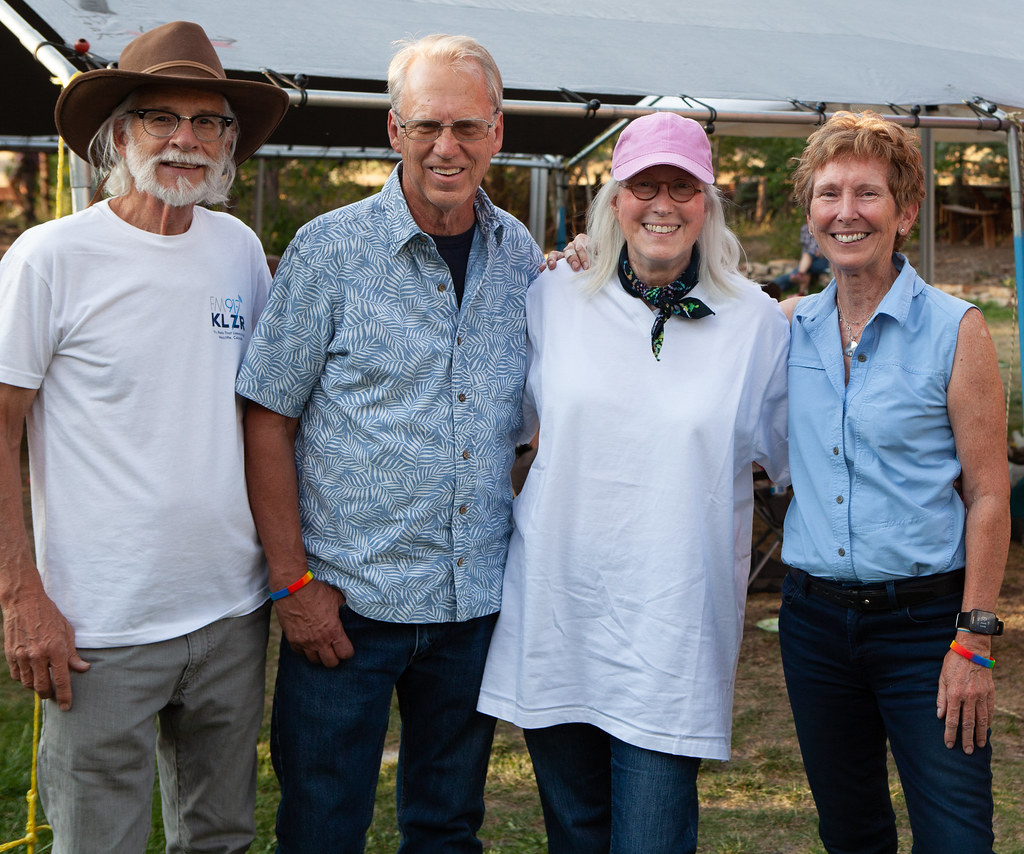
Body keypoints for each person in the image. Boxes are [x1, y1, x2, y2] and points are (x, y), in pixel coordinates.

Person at [235, 34, 544, 852]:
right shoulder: (329, 250)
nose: (448, 147)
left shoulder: (521, 258)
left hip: (469, 605)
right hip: (345, 607)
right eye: (428, 126)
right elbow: (267, 416)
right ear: (393, 130)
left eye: (468, 127)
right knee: (322, 828)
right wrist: (292, 583)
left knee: (447, 828)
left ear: (498, 132)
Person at [0, 21, 288, 853]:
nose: (186, 141)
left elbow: (264, 415)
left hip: (231, 616)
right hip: (97, 626)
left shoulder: (238, 251)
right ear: (118, 133)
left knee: (221, 836)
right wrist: (22, 597)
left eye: (210, 124)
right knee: (101, 842)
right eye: (162, 118)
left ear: (230, 144)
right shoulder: (51, 257)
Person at [477, 112, 790, 853]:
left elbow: (795, 463)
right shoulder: (554, 297)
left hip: (671, 632)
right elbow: (499, 428)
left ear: (707, 203)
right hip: (559, 616)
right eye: (643, 185)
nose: (662, 203)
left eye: (682, 188)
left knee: (651, 838)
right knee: (576, 836)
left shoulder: (754, 322)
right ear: (614, 199)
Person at [778, 111, 1008, 853]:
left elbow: (990, 493)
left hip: (926, 630)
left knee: (956, 836)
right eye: (830, 194)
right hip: (813, 627)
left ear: (904, 211)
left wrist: (972, 641)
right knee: (851, 835)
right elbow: (667, 298)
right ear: (811, 214)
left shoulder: (955, 329)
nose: (847, 212)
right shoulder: (783, 328)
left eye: (868, 194)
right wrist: (582, 257)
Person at [773, 221, 829, 294]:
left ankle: (773, 284)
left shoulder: (825, 228)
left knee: (793, 274)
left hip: (821, 259)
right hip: (808, 260)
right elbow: (804, 247)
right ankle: (801, 292)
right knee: (807, 265)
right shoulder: (805, 229)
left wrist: (821, 251)